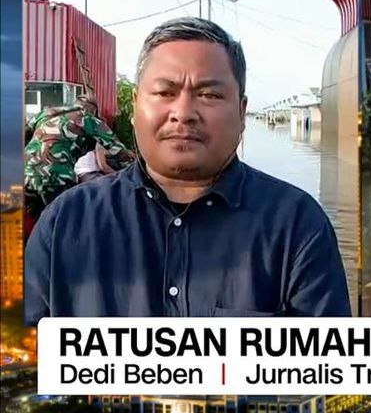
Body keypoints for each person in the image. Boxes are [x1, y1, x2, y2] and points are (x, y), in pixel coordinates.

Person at [24, 17, 351, 324]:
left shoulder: (296, 225)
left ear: (241, 111)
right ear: (136, 105)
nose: (183, 113)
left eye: (209, 94)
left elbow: (327, 376)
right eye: (164, 92)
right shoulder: (63, 224)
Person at [23, 93, 134, 226]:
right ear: (94, 110)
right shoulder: (89, 119)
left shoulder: (45, 113)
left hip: (26, 174)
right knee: (70, 224)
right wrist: (138, 169)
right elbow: (118, 151)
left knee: (36, 224)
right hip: (56, 176)